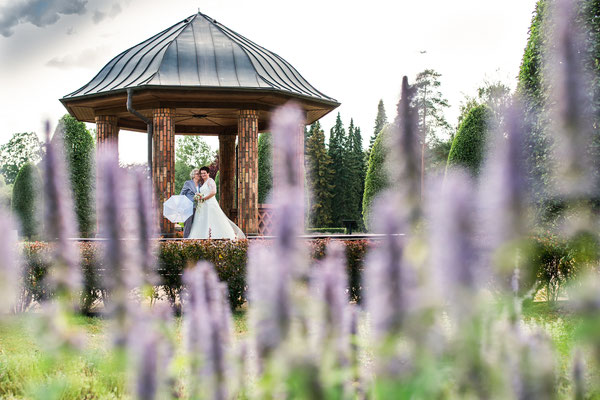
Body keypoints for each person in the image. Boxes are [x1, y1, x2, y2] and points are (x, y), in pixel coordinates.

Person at [188, 166, 245, 239]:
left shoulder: (210, 181)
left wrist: (203, 198)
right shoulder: (203, 183)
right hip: (203, 205)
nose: (203, 175)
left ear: (208, 173)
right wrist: (199, 197)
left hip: (210, 204)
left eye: (204, 173)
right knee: (202, 220)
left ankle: (219, 236)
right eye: (201, 173)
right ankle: (202, 237)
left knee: (213, 219)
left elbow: (213, 192)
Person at [180, 168, 202, 238]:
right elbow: (182, 194)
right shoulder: (188, 183)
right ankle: (185, 241)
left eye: (199, 174)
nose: (199, 175)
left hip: (197, 207)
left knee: (195, 225)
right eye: (197, 174)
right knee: (188, 225)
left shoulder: (200, 185)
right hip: (188, 207)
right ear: (193, 175)